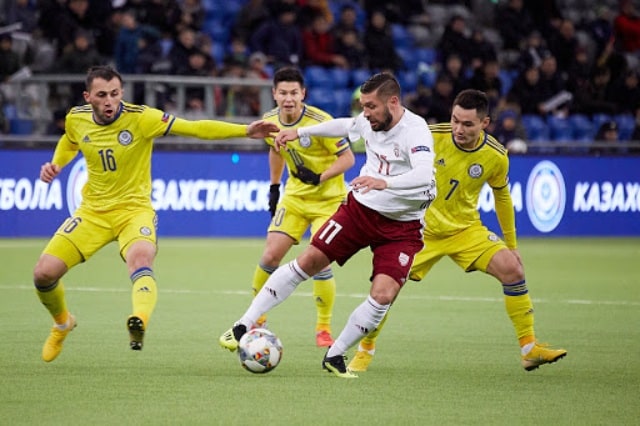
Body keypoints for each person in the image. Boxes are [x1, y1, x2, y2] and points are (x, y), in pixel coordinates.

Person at [34, 65, 279, 363]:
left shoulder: (142, 118)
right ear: (89, 97)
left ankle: (139, 320)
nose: (109, 101)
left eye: (114, 94)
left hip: (134, 212)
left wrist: (244, 130)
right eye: (102, 95)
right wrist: (57, 164)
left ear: (121, 93)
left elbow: (195, 127)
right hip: (92, 213)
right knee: (43, 274)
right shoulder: (77, 118)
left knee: (140, 259)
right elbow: (70, 141)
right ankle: (62, 323)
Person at [219, 72, 437, 378]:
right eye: (363, 106)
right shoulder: (368, 120)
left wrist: (382, 181)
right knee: (308, 261)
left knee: (384, 295)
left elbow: (425, 175)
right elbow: (344, 125)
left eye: (372, 107)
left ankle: (335, 354)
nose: (366, 114)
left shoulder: (415, 130)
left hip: (403, 226)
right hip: (361, 211)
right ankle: (243, 324)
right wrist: (299, 134)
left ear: (393, 102)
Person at [347, 89, 568, 373]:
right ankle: (366, 350)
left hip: (465, 230)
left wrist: (512, 245)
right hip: (419, 229)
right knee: (385, 291)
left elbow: (502, 197)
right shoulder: (430, 136)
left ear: (484, 124)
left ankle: (529, 348)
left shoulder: (496, 156)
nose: (458, 129)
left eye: (467, 124)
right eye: (455, 121)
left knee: (513, 269)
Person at [250, 66, 355, 347]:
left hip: (329, 201)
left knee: (319, 260)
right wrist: (274, 186)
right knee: (271, 255)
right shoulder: (269, 121)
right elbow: (276, 149)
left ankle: (323, 328)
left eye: (294, 93)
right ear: (274, 94)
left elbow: (348, 160)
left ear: (303, 94)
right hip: (295, 199)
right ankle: (257, 320)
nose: (288, 98)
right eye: (283, 93)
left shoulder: (321, 122)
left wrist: (320, 177)